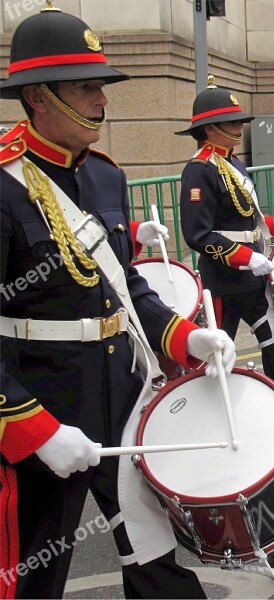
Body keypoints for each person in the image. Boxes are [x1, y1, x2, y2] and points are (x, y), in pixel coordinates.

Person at [0, 6, 236, 598]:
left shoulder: (105, 177)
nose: (102, 101)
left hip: (119, 391)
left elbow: (124, 285)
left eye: (102, 86)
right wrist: (32, 427)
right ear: (38, 96)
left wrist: (184, 335)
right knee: (35, 569)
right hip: (41, 401)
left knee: (154, 554)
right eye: (86, 88)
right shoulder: (3, 185)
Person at [176, 79, 274, 447]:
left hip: (251, 281)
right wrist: (244, 257)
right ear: (210, 129)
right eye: (233, 123)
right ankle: (207, 428)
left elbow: (246, 219)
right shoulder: (200, 169)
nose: (240, 127)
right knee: (216, 359)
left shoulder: (231, 162)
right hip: (224, 283)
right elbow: (198, 235)